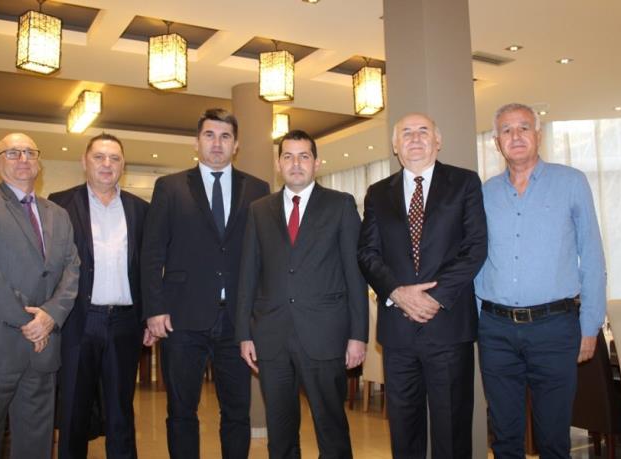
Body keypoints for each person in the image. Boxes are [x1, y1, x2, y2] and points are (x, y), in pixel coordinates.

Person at [475, 103, 606, 458]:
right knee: (504, 439)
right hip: (496, 330)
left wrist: (590, 326)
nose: (515, 136)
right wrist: (476, 321)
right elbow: (477, 260)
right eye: (506, 130)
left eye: (523, 127)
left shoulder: (571, 182)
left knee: (553, 440)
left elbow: (592, 256)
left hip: (555, 329)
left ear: (538, 135)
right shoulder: (485, 193)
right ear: (496, 142)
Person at [141, 108, 270, 458]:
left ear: (236, 145)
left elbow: (264, 257)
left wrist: (259, 315)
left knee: (237, 413)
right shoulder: (169, 187)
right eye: (209, 135)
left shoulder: (258, 189)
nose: (217, 143)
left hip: (237, 322)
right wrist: (154, 310)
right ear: (196, 141)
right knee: (181, 411)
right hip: (181, 319)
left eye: (225, 136)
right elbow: (152, 253)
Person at [358, 113, 487, 458]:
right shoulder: (377, 193)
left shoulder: (464, 183)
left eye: (423, 131)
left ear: (438, 140)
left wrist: (434, 297)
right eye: (406, 133)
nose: (415, 138)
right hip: (398, 334)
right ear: (395, 145)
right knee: (404, 432)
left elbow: (475, 247)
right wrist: (397, 293)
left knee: (452, 432)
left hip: (448, 328)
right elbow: (367, 253)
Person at [236, 129, 368, 458]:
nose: (296, 164)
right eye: (288, 156)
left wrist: (358, 335)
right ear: (278, 164)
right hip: (271, 336)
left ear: (316, 163)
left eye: (304, 156)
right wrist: (244, 334)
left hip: (325, 335)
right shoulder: (259, 210)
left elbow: (355, 275)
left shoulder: (340, 204)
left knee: (331, 430)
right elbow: (248, 275)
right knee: (280, 433)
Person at [0, 132, 80, 459]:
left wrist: (50, 316)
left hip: (43, 351)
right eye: (12, 153)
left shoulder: (58, 214)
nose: (23, 159)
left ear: (39, 162)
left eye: (29, 152)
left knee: (36, 446)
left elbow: (72, 270)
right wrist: (30, 322)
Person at [49, 133, 151, 458]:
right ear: (85, 161)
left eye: (114, 158)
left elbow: (148, 270)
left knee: (121, 413)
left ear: (123, 165)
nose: (107, 164)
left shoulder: (140, 209)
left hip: (125, 323)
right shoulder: (60, 204)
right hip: (78, 321)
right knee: (73, 413)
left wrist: (149, 316)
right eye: (99, 157)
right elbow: (50, 266)